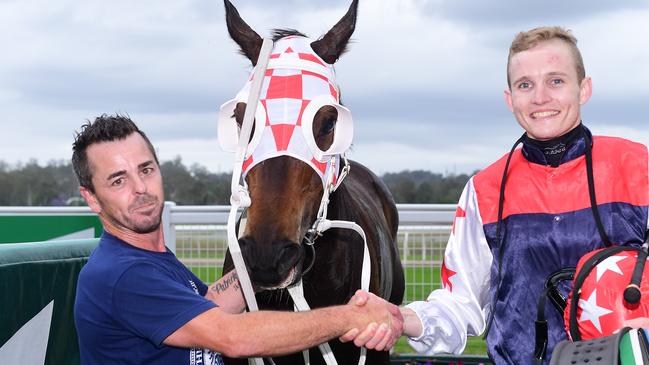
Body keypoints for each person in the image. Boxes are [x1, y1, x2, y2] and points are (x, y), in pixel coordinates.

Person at [343, 26, 649, 364]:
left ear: (584, 88)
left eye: (556, 81)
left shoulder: (638, 167)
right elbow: (460, 305)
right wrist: (403, 319)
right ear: (510, 99)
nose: (540, 97)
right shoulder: (484, 190)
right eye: (525, 85)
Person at [71, 114, 403, 364]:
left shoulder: (150, 259)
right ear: (92, 198)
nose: (140, 188)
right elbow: (233, 337)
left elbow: (210, 306)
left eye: (146, 170)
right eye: (118, 180)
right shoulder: (123, 275)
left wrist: (267, 266)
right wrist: (350, 316)